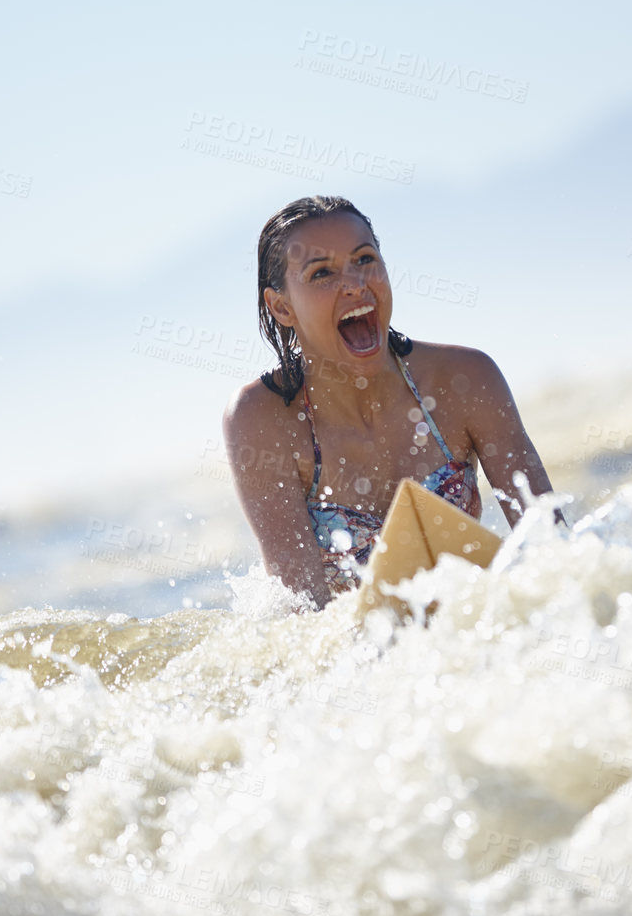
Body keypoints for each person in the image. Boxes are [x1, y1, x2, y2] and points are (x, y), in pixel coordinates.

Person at [222, 195, 554, 608]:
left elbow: (556, 552)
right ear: (282, 307)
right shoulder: (262, 419)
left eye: (364, 259)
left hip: (473, 633)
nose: (356, 284)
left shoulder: (465, 379)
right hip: (363, 658)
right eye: (322, 273)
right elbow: (304, 614)